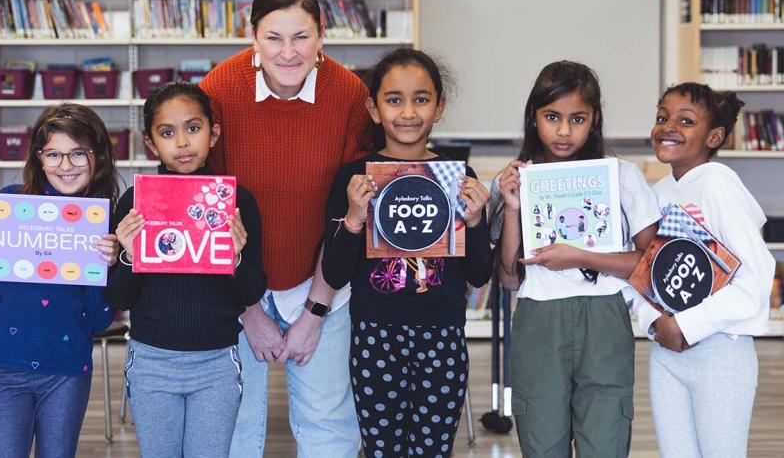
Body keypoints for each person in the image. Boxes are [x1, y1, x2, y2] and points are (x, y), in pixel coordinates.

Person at [200, 0, 371, 456]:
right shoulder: (218, 91)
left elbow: (351, 215)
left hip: (321, 279)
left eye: (301, 36)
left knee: (329, 424)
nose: (288, 52)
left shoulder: (348, 94)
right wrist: (249, 310)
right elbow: (205, 204)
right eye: (273, 37)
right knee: (234, 422)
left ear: (321, 36)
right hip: (234, 281)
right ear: (252, 37)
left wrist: (315, 310)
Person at [322, 49, 492, 457]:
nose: (408, 112)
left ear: (439, 107)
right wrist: (354, 220)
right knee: (382, 449)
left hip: (442, 335)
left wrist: (475, 221)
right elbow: (334, 272)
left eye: (421, 98)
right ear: (374, 109)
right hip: (374, 336)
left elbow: (480, 274)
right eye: (394, 99)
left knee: (434, 449)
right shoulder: (353, 177)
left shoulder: (459, 177)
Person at [490, 61, 660, 457]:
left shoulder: (623, 176)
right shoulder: (514, 180)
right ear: (534, 119)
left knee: (605, 437)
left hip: (604, 319)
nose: (564, 131)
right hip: (538, 319)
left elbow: (651, 264)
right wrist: (513, 207)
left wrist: (580, 257)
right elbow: (509, 279)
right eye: (552, 117)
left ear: (594, 119)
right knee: (541, 437)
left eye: (577, 118)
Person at [107, 82, 266, 457]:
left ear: (214, 134)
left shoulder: (237, 201)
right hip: (150, 360)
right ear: (150, 143)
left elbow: (252, 291)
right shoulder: (135, 203)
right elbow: (116, 296)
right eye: (167, 133)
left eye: (193, 128)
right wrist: (129, 254)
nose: (182, 142)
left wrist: (236, 256)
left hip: (215, 364)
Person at [0, 103, 119, 458]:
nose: (66, 166)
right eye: (54, 155)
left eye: (78, 154)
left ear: (99, 157)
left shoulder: (105, 224)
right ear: (39, 157)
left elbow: (100, 320)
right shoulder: (9, 204)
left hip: (67, 368)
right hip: (7, 362)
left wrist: (105, 268)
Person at [642, 83, 774, 458]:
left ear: (714, 136)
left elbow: (756, 276)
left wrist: (687, 325)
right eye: (662, 118)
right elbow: (645, 272)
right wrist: (654, 323)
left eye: (685, 121)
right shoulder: (660, 192)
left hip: (720, 351)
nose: (668, 127)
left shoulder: (718, 184)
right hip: (667, 352)